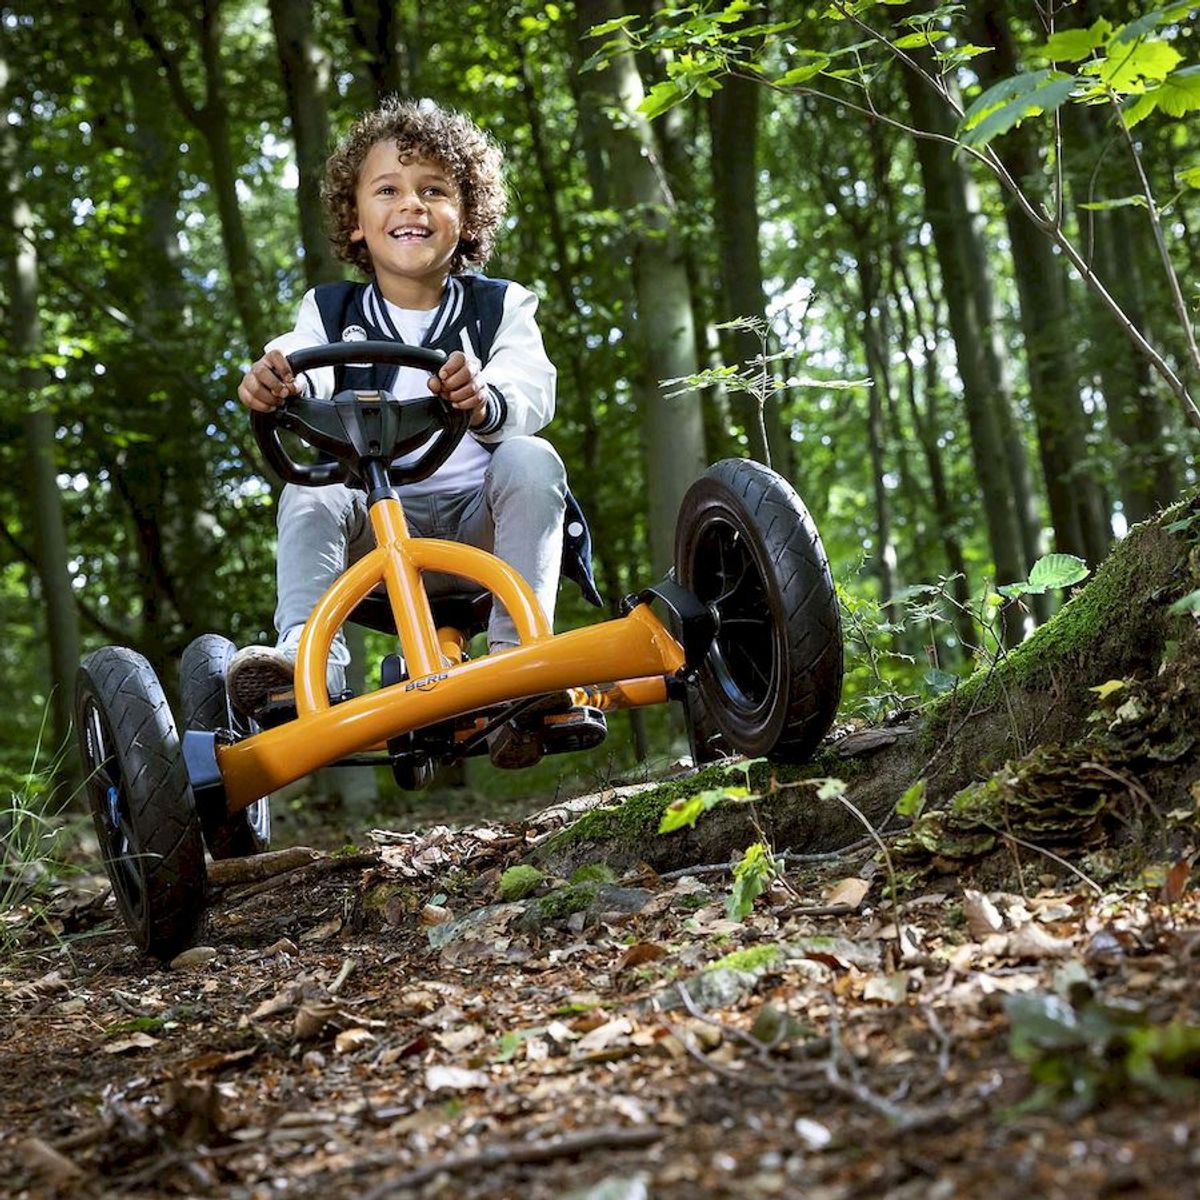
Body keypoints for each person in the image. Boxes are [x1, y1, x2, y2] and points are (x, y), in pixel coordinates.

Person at [227, 98, 603, 768]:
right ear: (356, 220)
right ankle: (308, 664)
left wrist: (487, 397)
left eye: (435, 191)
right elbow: (299, 361)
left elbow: (531, 384)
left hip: (479, 525)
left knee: (532, 459)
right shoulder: (330, 310)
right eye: (388, 191)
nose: (412, 206)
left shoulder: (500, 307)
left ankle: (520, 662)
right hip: (377, 536)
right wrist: (279, 382)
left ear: (470, 216)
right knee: (312, 493)